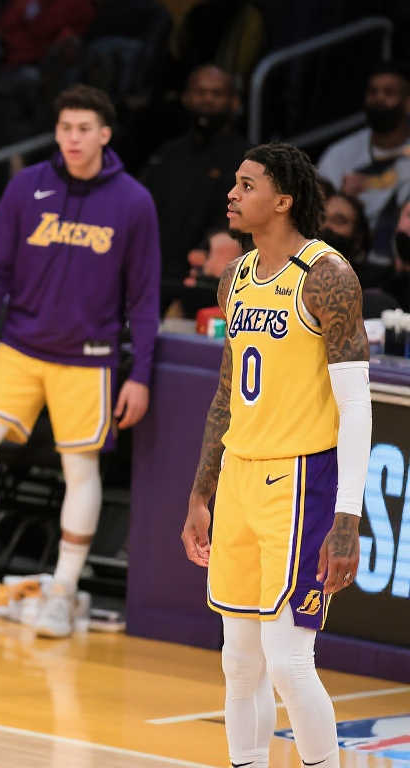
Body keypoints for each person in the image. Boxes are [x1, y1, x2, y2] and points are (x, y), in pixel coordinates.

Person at [0, 84, 160, 638]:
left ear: (105, 134)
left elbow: (144, 298)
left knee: (79, 469)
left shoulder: (134, 202)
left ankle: (63, 589)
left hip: (89, 360)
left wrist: (139, 375)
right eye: (65, 128)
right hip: (18, 347)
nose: (73, 139)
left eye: (84, 129)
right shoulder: (26, 186)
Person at [181, 143, 370, 768]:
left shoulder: (327, 276)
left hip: (301, 480)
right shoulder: (235, 276)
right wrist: (202, 491)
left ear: (283, 200)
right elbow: (226, 393)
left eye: (247, 184)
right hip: (240, 475)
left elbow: (356, 406)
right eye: (234, 183)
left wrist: (347, 518)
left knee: (288, 662)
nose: (232, 194)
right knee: (238, 661)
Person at [141, 64, 249, 298]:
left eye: (216, 93)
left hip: (211, 281)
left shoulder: (249, 160)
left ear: (234, 102)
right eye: (200, 92)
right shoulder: (167, 154)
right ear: (186, 98)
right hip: (157, 275)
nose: (207, 99)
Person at [317, 61, 410, 254]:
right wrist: (343, 199)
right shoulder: (339, 154)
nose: (379, 98)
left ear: (407, 103)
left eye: (389, 93)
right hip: (346, 255)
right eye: (373, 92)